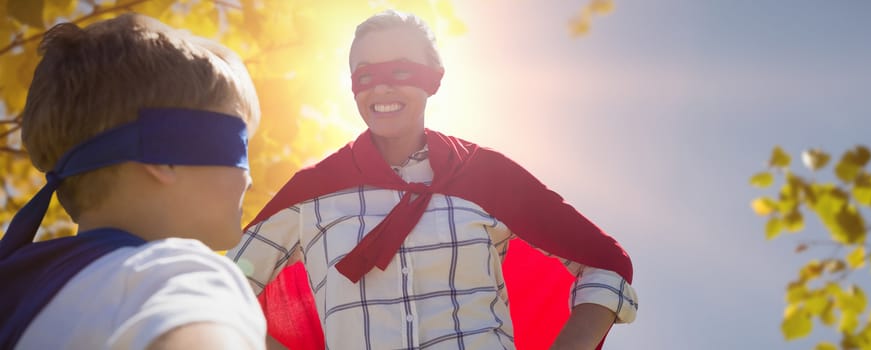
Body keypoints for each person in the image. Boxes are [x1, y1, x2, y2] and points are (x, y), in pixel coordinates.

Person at [229, 10, 638, 350]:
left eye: (401, 71)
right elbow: (219, 291)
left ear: (433, 78)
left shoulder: (486, 174)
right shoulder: (313, 194)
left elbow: (605, 263)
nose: (383, 86)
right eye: (366, 75)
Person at [0, 14, 266, 350]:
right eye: (239, 146)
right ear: (166, 154)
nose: (250, 180)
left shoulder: (18, 291)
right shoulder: (173, 277)